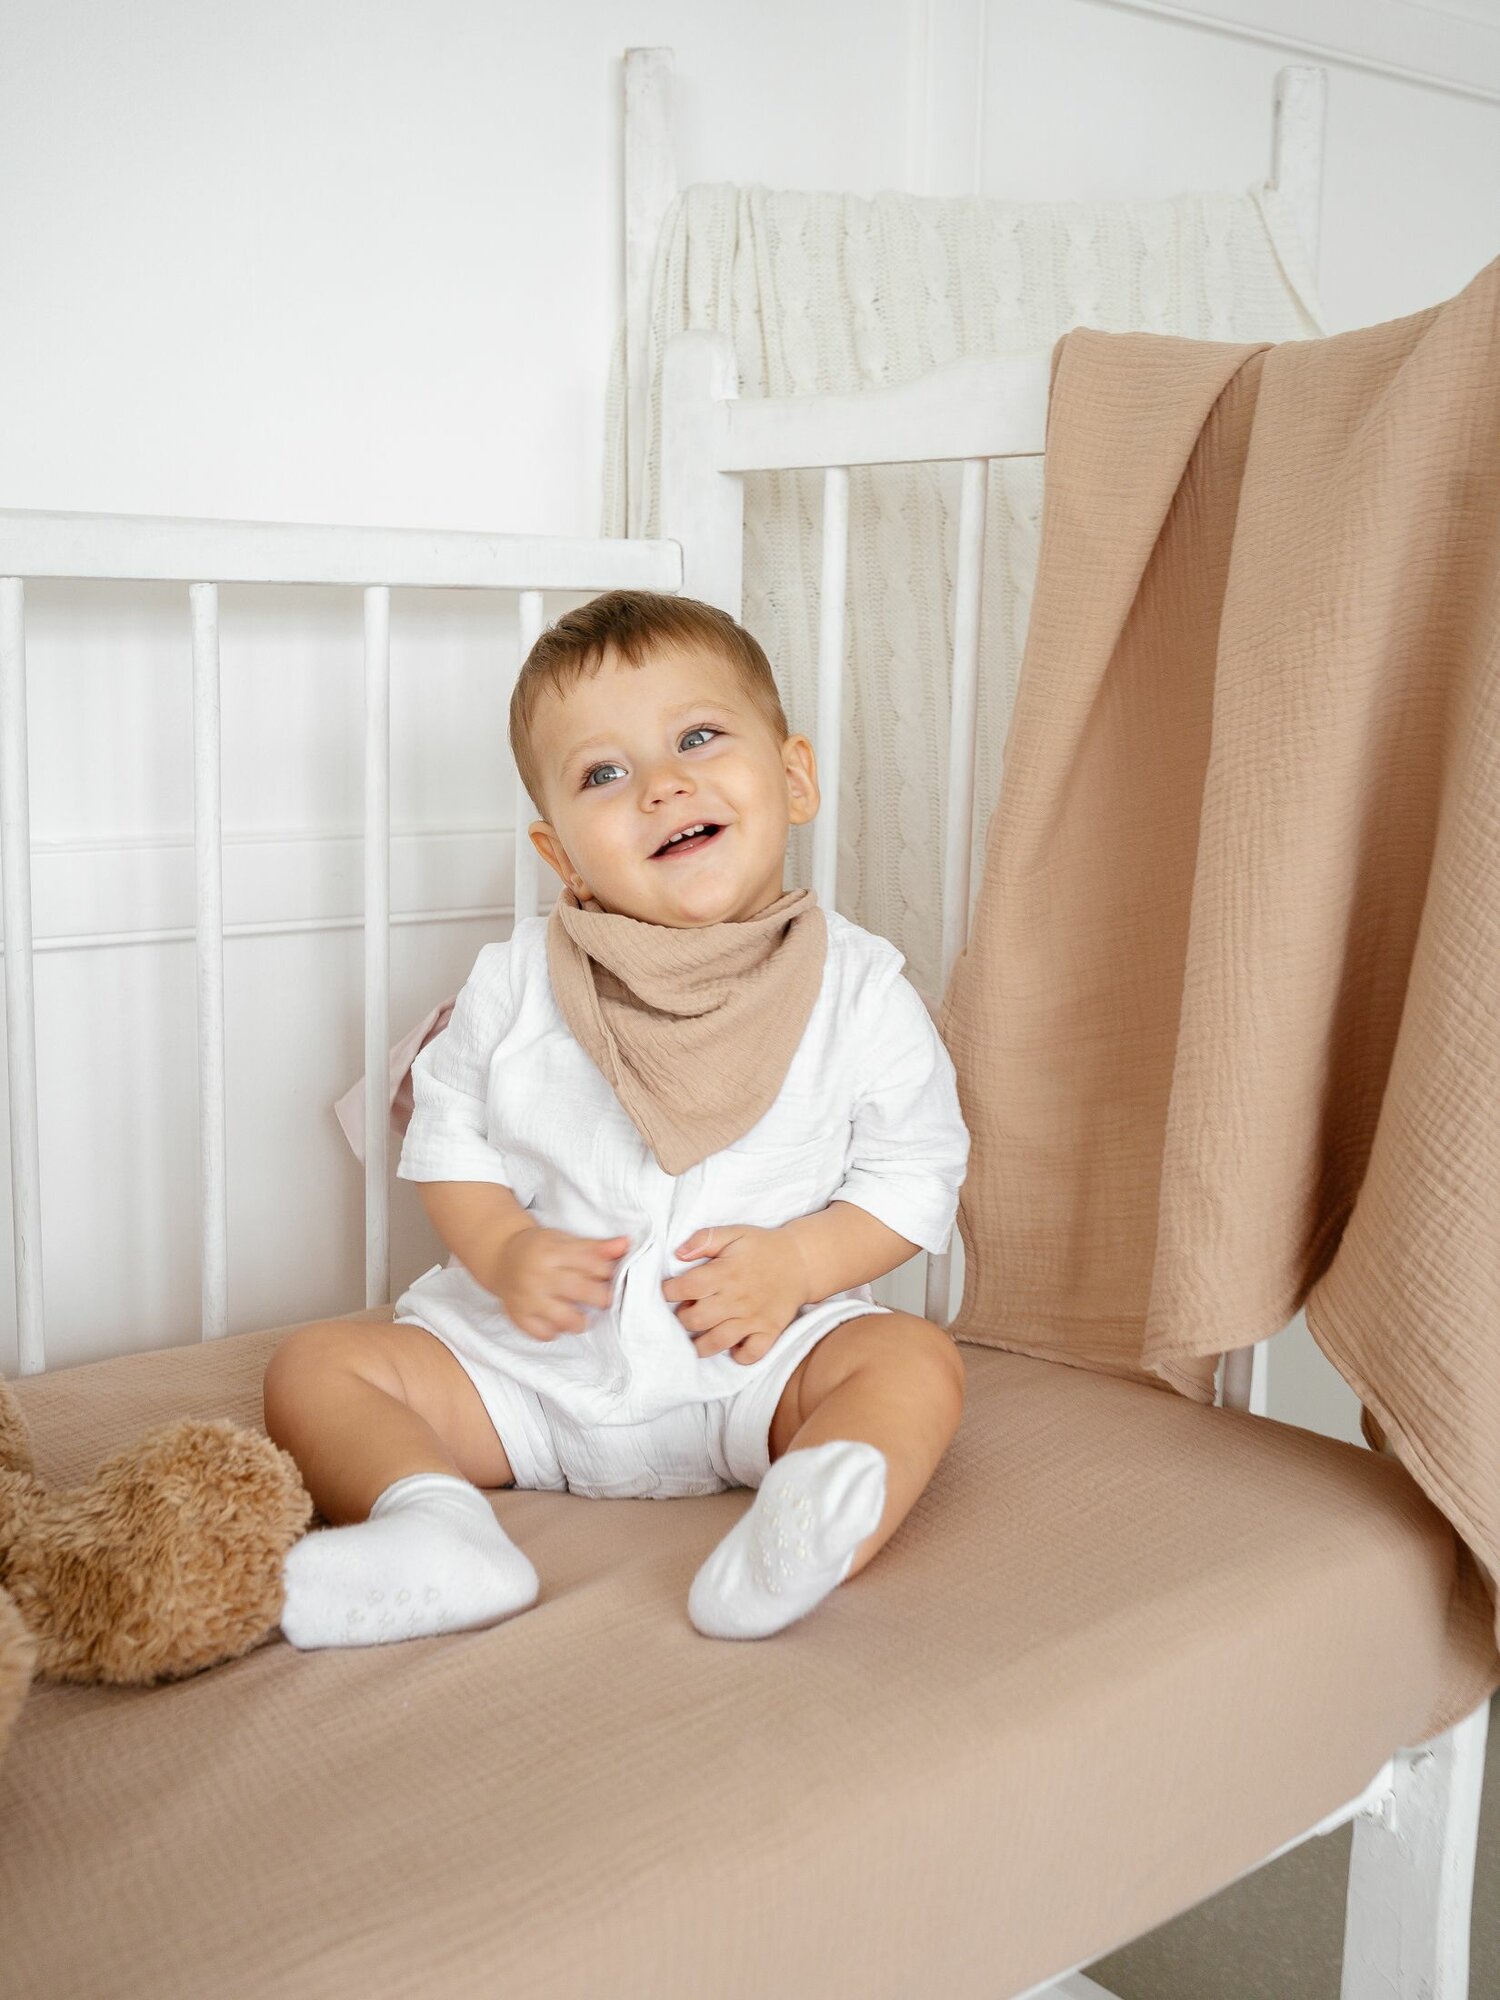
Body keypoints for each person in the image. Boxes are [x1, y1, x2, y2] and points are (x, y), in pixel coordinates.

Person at [264, 589, 970, 1648]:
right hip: (528, 1373)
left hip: (758, 1366)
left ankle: (806, 1527)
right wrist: (504, 1251)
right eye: (604, 773)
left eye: (699, 736)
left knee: (911, 1363)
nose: (661, 784)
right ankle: (436, 1527)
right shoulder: (517, 981)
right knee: (315, 1367)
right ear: (560, 854)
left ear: (794, 778)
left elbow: (915, 1174)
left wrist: (799, 1263)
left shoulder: (862, 991)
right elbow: (448, 1139)